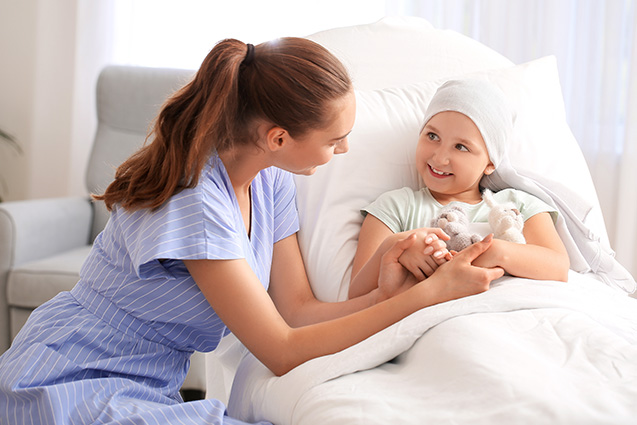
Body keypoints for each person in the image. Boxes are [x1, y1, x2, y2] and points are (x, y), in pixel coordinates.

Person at [0, 39, 504, 425]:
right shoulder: (196, 201)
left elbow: (299, 313)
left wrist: (385, 294)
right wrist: (429, 296)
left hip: (144, 382)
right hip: (74, 377)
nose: (344, 152)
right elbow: (281, 348)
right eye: (336, 141)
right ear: (278, 137)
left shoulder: (270, 181)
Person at [349, 79, 570, 300]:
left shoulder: (516, 204)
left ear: (491, 163)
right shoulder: (396, 206)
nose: (439, 157)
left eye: (461, 147)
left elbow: (558, 266)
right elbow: (357, 295)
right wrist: (398, 249)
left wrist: (492, 252)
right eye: (432, 136)